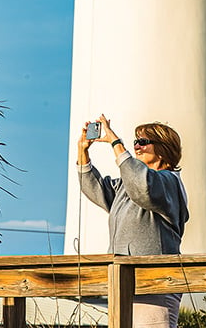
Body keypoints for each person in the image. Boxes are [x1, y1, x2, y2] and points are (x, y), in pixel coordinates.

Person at [77, 114, 189, 328]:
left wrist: (115, 143)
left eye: (144, 142)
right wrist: (83, 151)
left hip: (155, 283)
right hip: (124, 282)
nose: (137, 146)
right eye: (135, 141)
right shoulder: (129, 183)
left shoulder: (169, 182)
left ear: (163, 147)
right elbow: (95, 188)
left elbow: (144, 188)